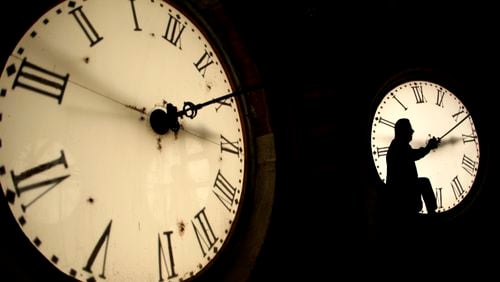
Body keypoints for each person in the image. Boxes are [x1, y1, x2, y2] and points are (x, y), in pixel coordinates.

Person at [384, 118, 439, 226]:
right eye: (409, 129)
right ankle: (433, 216)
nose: (412, 131)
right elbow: (414, 155)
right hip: (403, 195)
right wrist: (428, 147)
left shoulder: (397, 146)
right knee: (424, 183)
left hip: (401, 195)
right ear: (403, 131)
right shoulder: (399, 146)